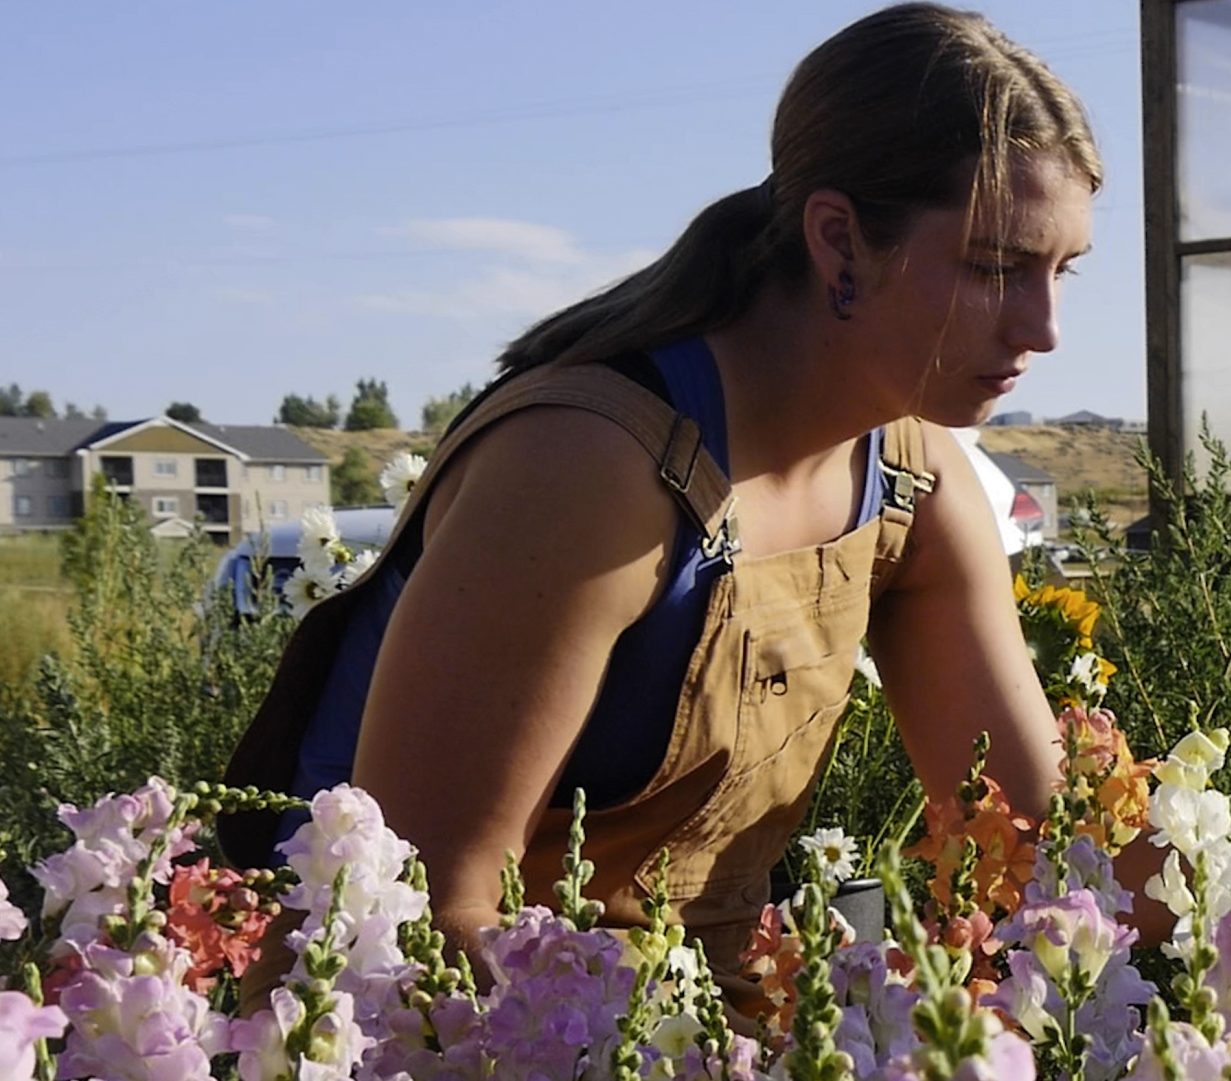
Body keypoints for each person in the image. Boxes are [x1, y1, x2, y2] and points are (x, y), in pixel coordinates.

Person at [216, 2, 1163, 1000]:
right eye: (995, 267)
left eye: (1062, 271)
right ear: (840, 241)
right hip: (466, 1029)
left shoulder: (913, 476)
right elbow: (424, 916)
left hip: (706, 1023)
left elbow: (1042, 844)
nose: (1046, 327)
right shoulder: (585, 469)